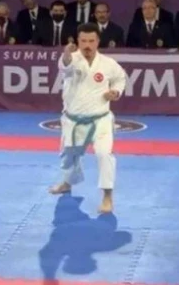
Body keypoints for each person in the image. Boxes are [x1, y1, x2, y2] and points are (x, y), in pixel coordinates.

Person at [49, 23, 127, 213]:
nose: (87, 45)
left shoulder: (108, 63)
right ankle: (67, 182)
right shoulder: (72, 59)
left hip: (101, 119)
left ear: (98, 41)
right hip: (73, 119)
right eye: (83, 41)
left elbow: (120, 78)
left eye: (91, 41)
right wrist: (66, 54)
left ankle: (107, 196)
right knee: (68, 155)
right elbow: (65, 68)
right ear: (77, 41)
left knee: (104, 154)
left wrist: (115, 91)